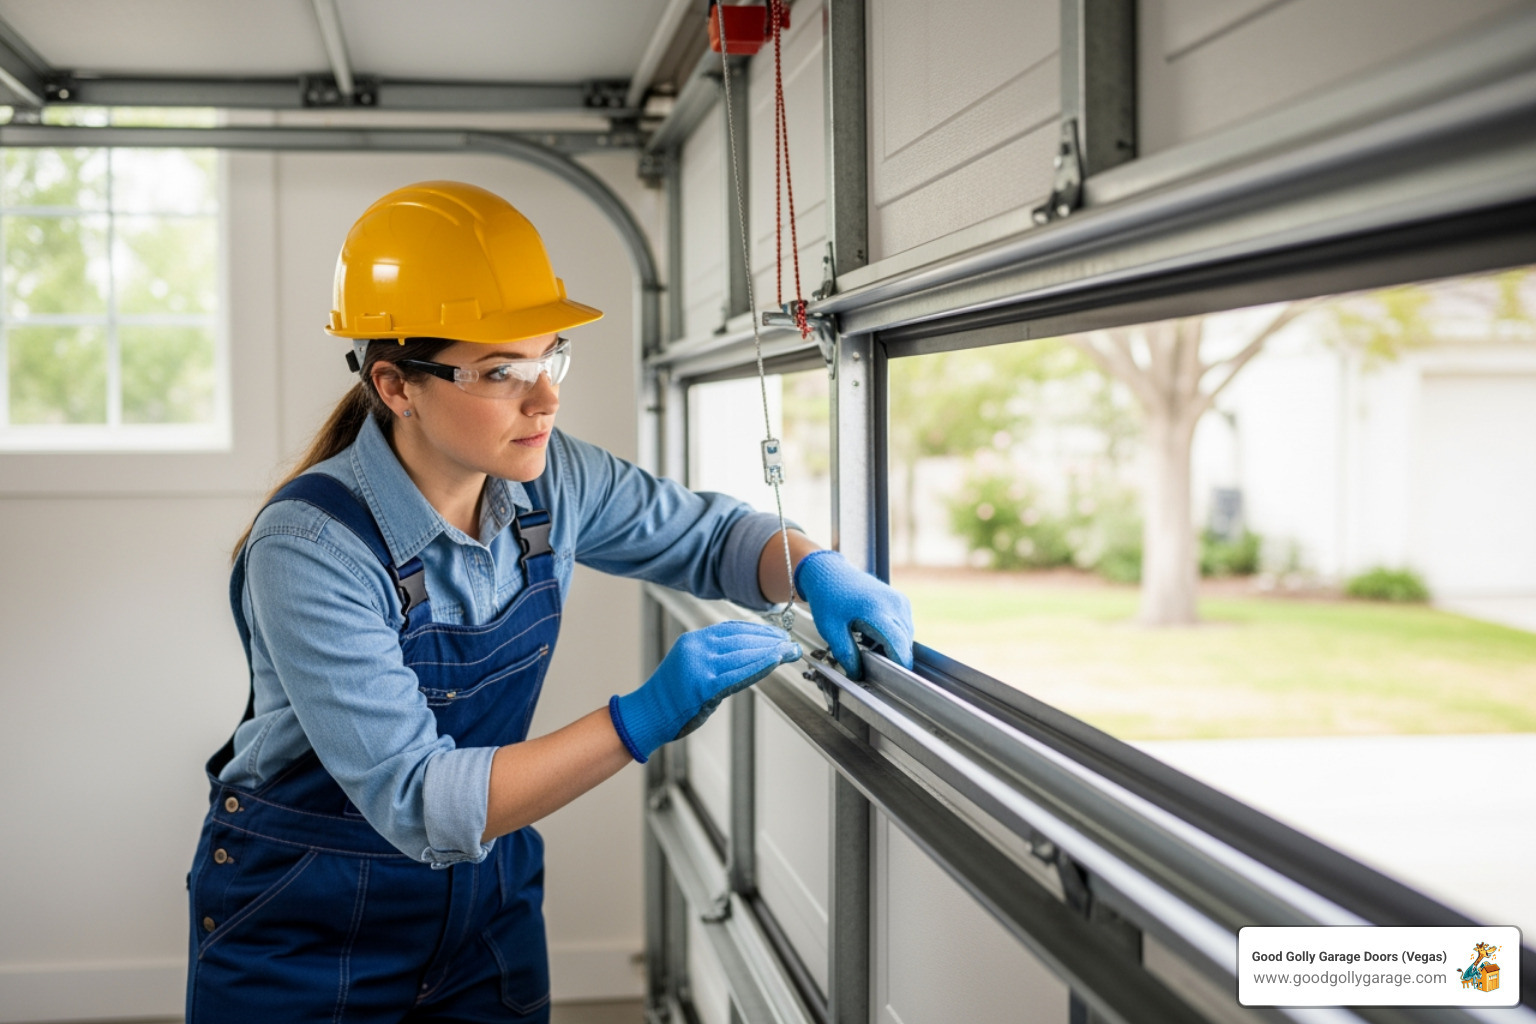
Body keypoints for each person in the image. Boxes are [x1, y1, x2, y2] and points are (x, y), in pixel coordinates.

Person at [186, 180, 913, 1022]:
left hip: (484, 901)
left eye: (550, 357)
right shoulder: (312, 548)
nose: (547, 399)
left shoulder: (551, 478)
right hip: (303, 926)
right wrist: (644, 715)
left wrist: (813, 567)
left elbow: (714, 541)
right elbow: (420, 798)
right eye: (502, 372)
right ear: (395, 386)